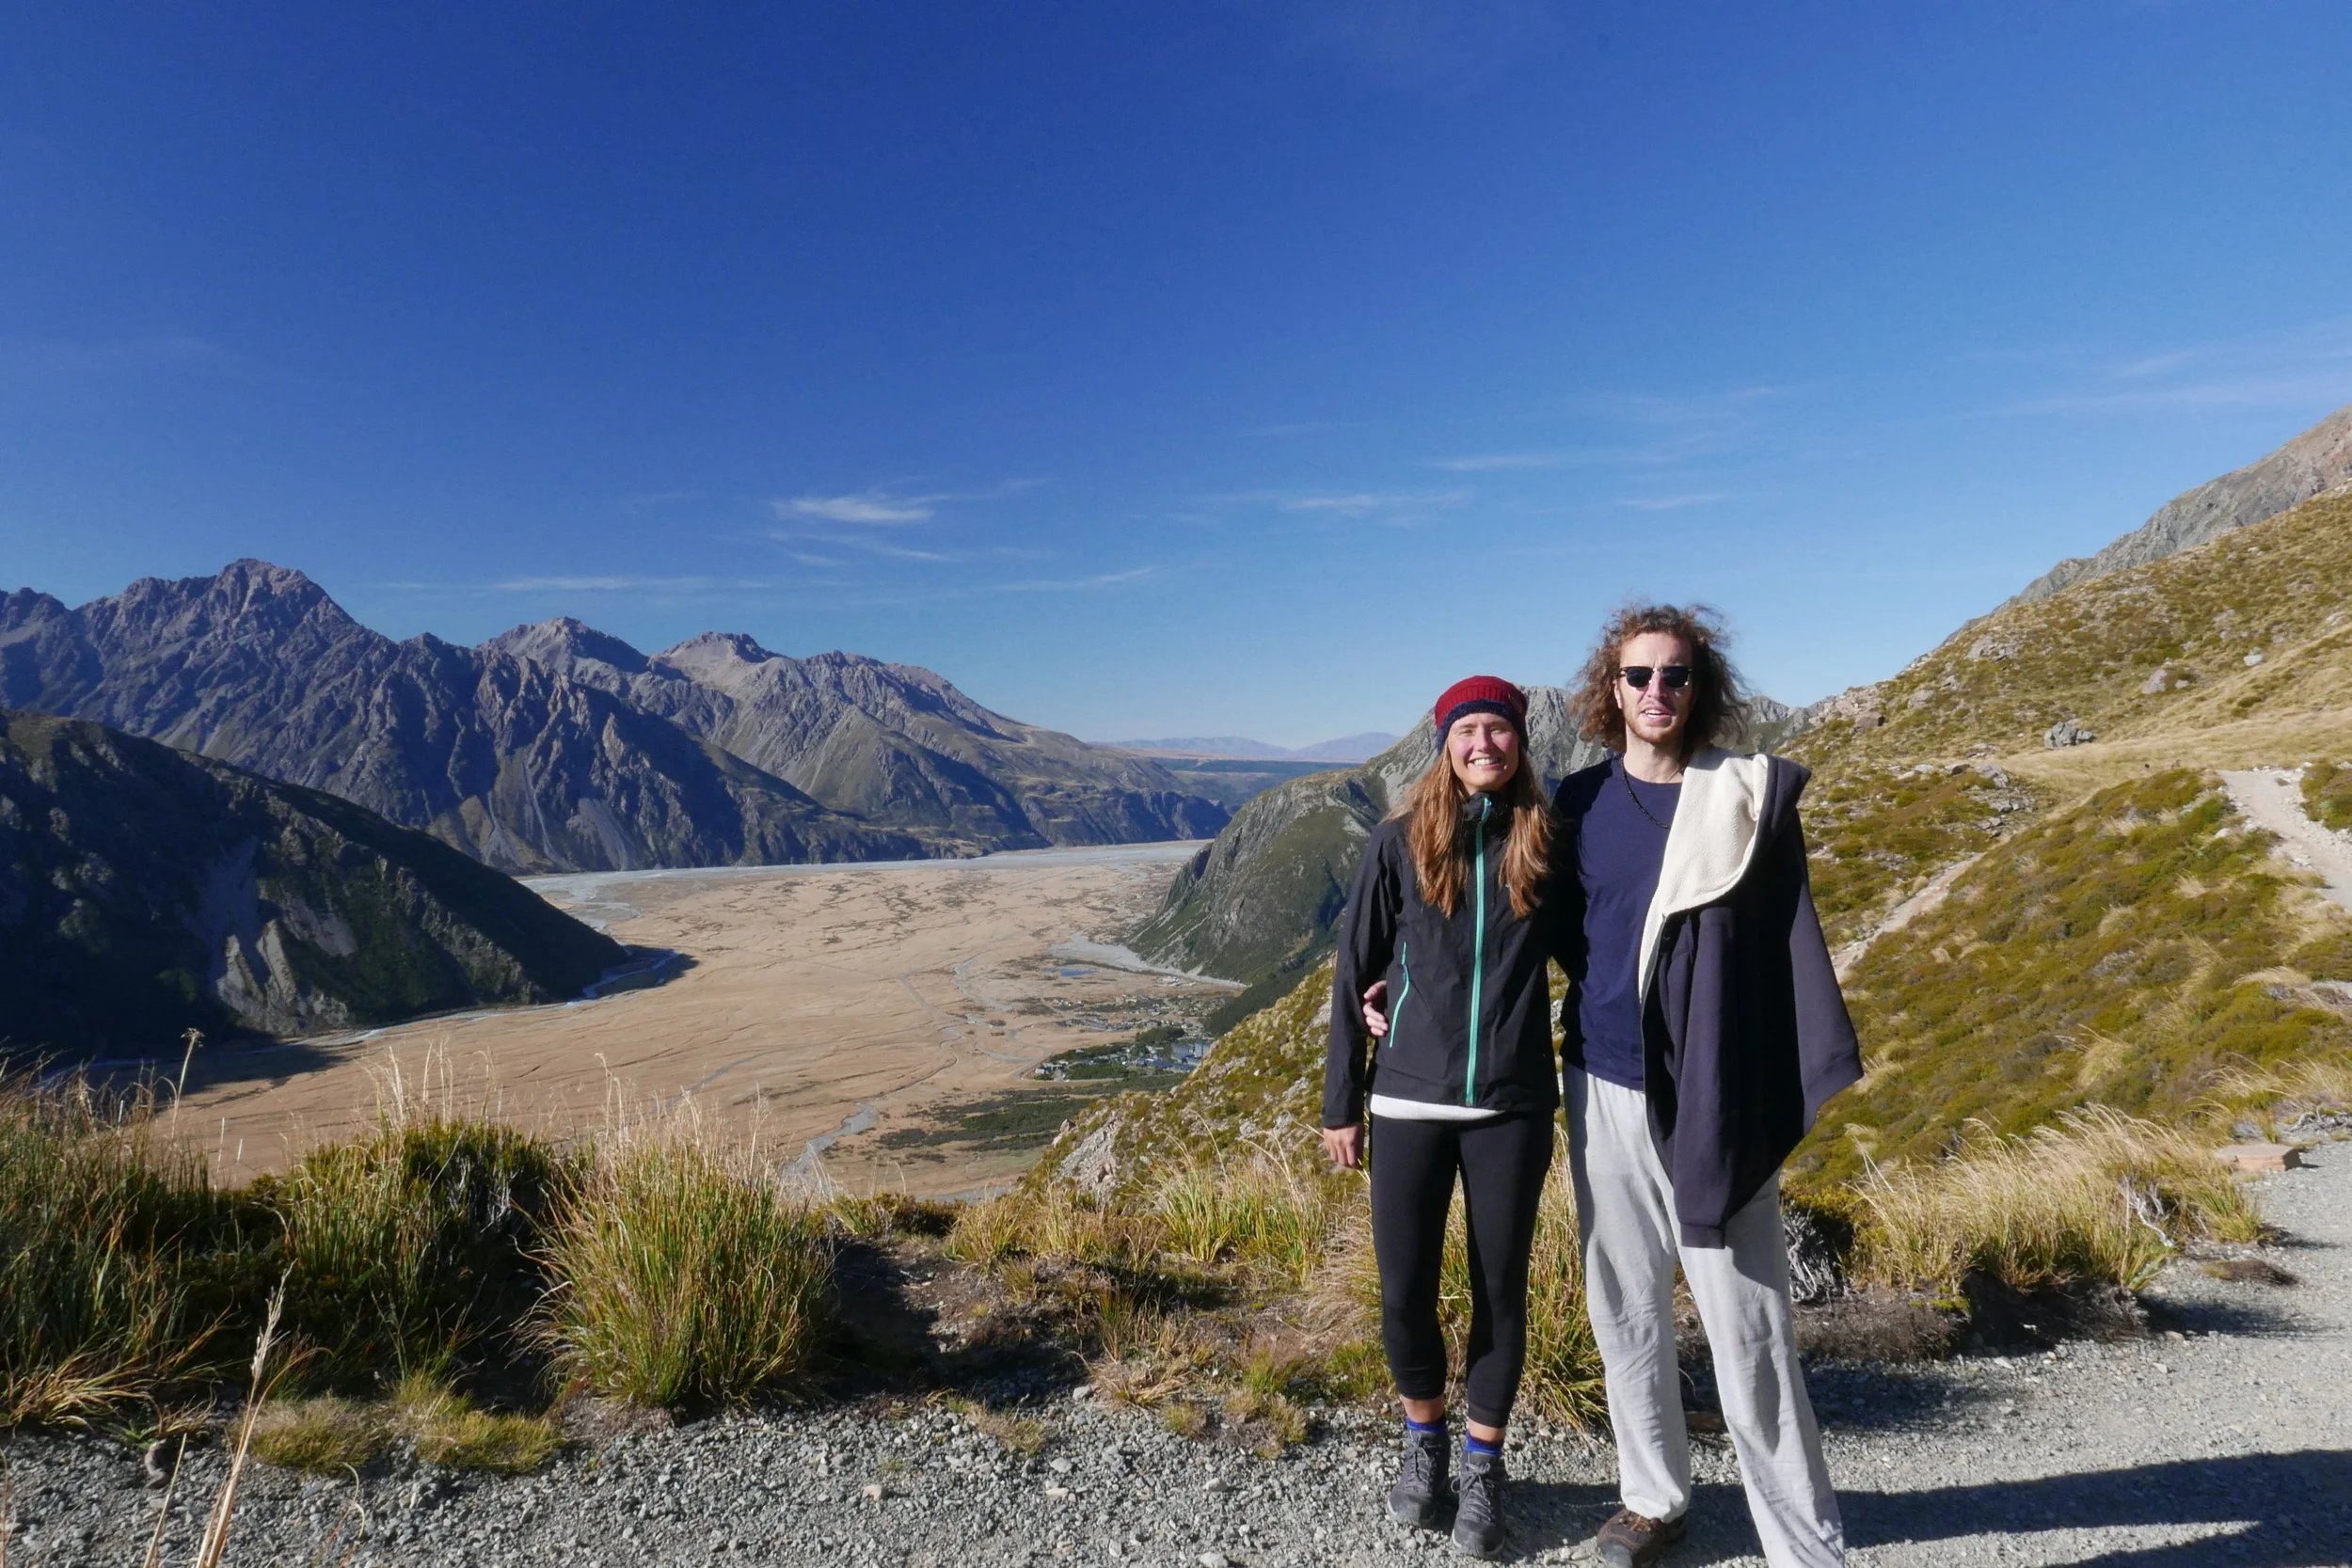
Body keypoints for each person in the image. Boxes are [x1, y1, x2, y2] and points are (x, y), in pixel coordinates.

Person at [1548, 604, 1860, 1568]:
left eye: (1674, 676)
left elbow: (1783, 950)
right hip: (1600, 1083)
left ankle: (1804, 1543)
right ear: (1608, 689)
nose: (1655, 692)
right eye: (1636, 675)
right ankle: (1652, 1498)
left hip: (1712, 1097)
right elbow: (1550, 931)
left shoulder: (1743, 800)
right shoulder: (1577, 804)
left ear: (1701, 687)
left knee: (1751, 1323)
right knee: (1624, 1303)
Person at [1322, 675, 1565, 1560]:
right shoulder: (1397, 841)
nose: (1484, 745)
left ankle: (1483, 1465)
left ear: (1519, 742)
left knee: (1502, 1290)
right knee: (1403, 1292)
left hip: (1511, 1103)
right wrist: (1342, 1103)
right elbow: (1356, 971)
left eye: (1498, 730)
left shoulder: (1545, 841)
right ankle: (1425, 1443)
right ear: (1445, 743)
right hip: (1409, 1097)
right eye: (1469, 731)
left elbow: (1593, 949)